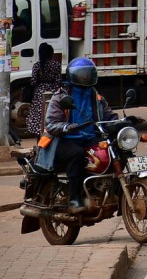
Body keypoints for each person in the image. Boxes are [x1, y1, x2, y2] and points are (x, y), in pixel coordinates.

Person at [40, 57, 116, 210]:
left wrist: (121, 122)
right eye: (82, 74)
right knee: (77, 154)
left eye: (88, 74)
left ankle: (112, 191)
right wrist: (67, 127)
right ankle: (74, 198)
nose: (85, 78)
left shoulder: (95, 95)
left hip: (88, 137)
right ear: (73, 75)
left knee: (112, 149)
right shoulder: (60, 97)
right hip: (62, 140)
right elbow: (51, 124)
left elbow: (108, 115)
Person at [25, 43, 62, 137]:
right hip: (52, 93)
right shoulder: (56, 65)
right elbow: (58, 81)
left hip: (39, 93)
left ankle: (39, 137)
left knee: (38, 117)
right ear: (51, 53)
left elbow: (33, 81)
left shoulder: (37, 65)